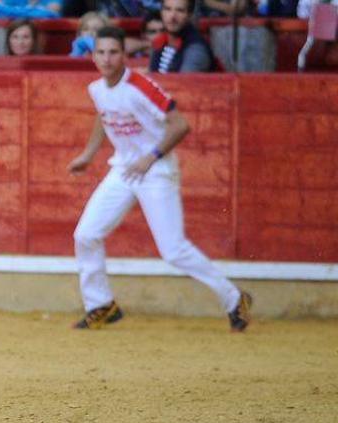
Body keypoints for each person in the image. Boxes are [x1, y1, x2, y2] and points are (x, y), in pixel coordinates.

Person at [67, 26, 251, 332]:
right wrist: (88, 155)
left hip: (156, 169)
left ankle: (234, 299)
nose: (107, 59)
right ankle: (101, 304)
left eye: (113, 52)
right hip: (124, 169)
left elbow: (180, 125)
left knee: (174, 250)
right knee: (85, 235)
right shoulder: (97, 89)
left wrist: (150, 157)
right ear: (93, 55)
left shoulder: (140, 86)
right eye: (101, 52)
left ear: (124, 54)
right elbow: (104, 115)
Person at [150, 0, 216, 73]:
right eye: (167, 9)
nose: (172, 16)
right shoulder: (161, 41)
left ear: (190, 15)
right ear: (161, 12)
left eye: (180, 10)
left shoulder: (196, 49)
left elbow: (184, 82)